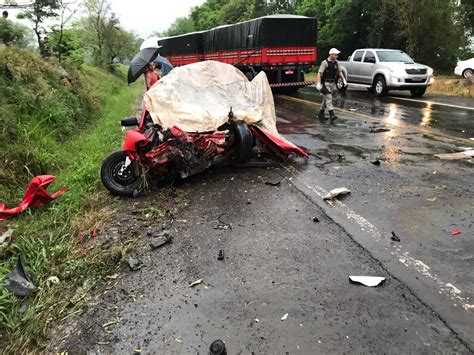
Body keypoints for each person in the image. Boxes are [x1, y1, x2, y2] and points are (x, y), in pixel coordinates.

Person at [316, 48, 347, 121]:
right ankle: (332, 114)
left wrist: (344, 80)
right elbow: (319, 73)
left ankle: (321, 113)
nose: (337, 56)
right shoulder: (325, 63)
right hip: (325, 83)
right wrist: (318, 83)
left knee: (326, 98)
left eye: (337, 55)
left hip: (333, 83)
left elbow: (340, 71)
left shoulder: (336, 62)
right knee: (329, 98)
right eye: (336, 55)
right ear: (331, 54)